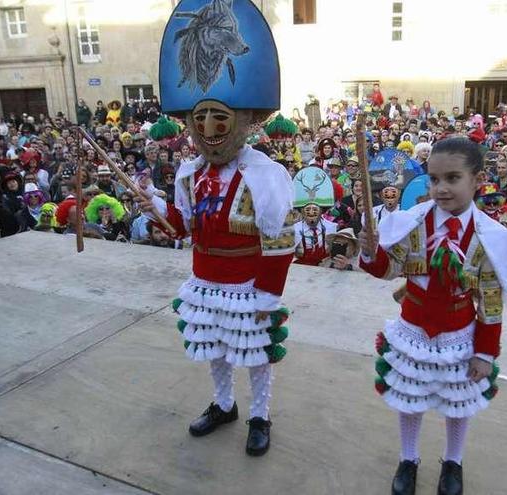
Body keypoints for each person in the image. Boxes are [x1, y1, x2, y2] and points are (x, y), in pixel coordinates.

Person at [144, 1, 296, 457]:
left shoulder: (266, 175)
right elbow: (180, 228)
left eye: (220, 118)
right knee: (214, 346)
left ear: (246, 121)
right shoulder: (188, 173)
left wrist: (269, 296)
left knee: (255, 354)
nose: (208, 128)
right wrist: (150, 200)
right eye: (199, 118)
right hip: (204, 283)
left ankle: (259, 414)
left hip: (249, 284)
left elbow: (280, 242)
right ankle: (224, 404)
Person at [359, 138, 507, 495]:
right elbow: (390, 269)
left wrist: (484, 352)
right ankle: (408, 457)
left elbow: (490, 300)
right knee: (410, 397)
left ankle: (453, 461)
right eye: (433, 179)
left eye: (452, 178)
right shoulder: (411, 223)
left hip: (458, 334)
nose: (440, 188)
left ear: (477, 179)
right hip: (413, 328)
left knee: (458, 403)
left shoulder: (489, 237)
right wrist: (372, 253)